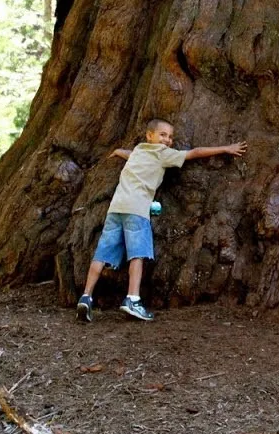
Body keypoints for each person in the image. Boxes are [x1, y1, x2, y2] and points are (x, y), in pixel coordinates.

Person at [77, 118, 247, 322]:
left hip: (116, 208)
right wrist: (226, 148)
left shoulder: (139, 150)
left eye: (170, 137)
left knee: (102, 254)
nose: (168, 140)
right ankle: (132, 299)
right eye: (163, 135)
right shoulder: (162, 155)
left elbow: (128, 154)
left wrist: (118, 152)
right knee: (136, 255)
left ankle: (86, 297)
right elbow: (195, 152)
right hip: (136, 210)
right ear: (149, 135)